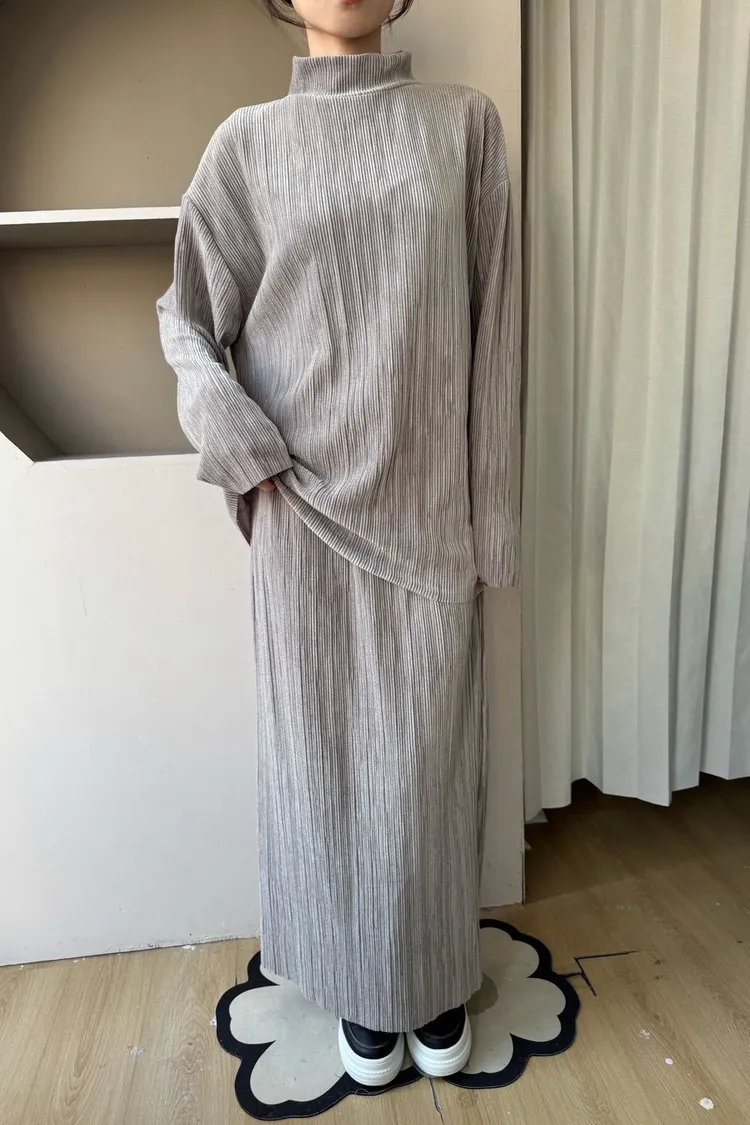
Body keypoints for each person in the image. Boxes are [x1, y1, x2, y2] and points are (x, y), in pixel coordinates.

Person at [157, 0, 518, 1089]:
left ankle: (431, 970)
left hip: (427, 509)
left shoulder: (465, 125)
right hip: (301, 511)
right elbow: (186, 317)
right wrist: (240, 444)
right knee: (323, 761)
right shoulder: (247, 145)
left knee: (426, 765)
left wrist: (493, 514)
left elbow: (496, 329)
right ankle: (361, 981)